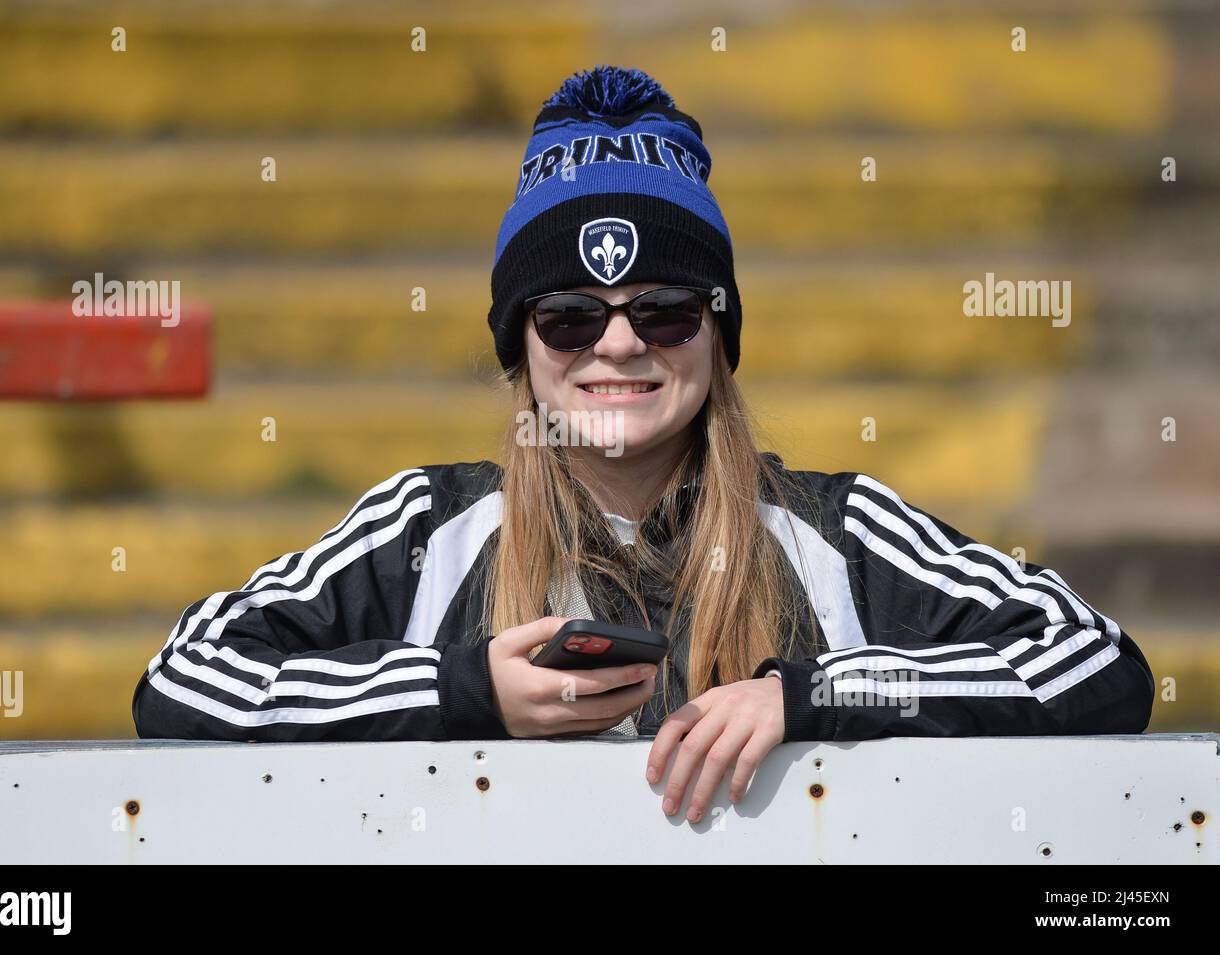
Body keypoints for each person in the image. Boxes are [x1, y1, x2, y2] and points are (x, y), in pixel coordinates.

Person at [132, 65, 1154, 822]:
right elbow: (183, 678)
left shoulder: (836, 530)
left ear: (718, 332)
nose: (617, 343)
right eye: (568, 316)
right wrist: (462, 688)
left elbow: (1097, 661)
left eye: (663, 310)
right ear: (518, 346)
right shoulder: (423, 526)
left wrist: (809, 696)